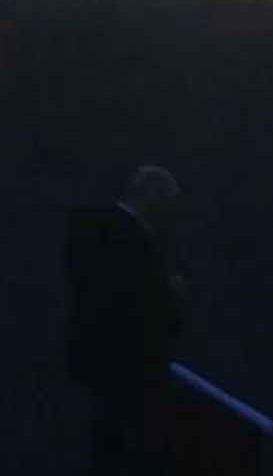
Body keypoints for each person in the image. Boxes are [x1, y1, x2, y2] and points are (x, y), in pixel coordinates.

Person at [65, 164, 184, 471]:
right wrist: (172, 295)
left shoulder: (93, 232)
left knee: (102, 442)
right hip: (132, 372)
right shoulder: (139, 246)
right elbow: (156, 315)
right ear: (154, 200)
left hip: (95, 364)